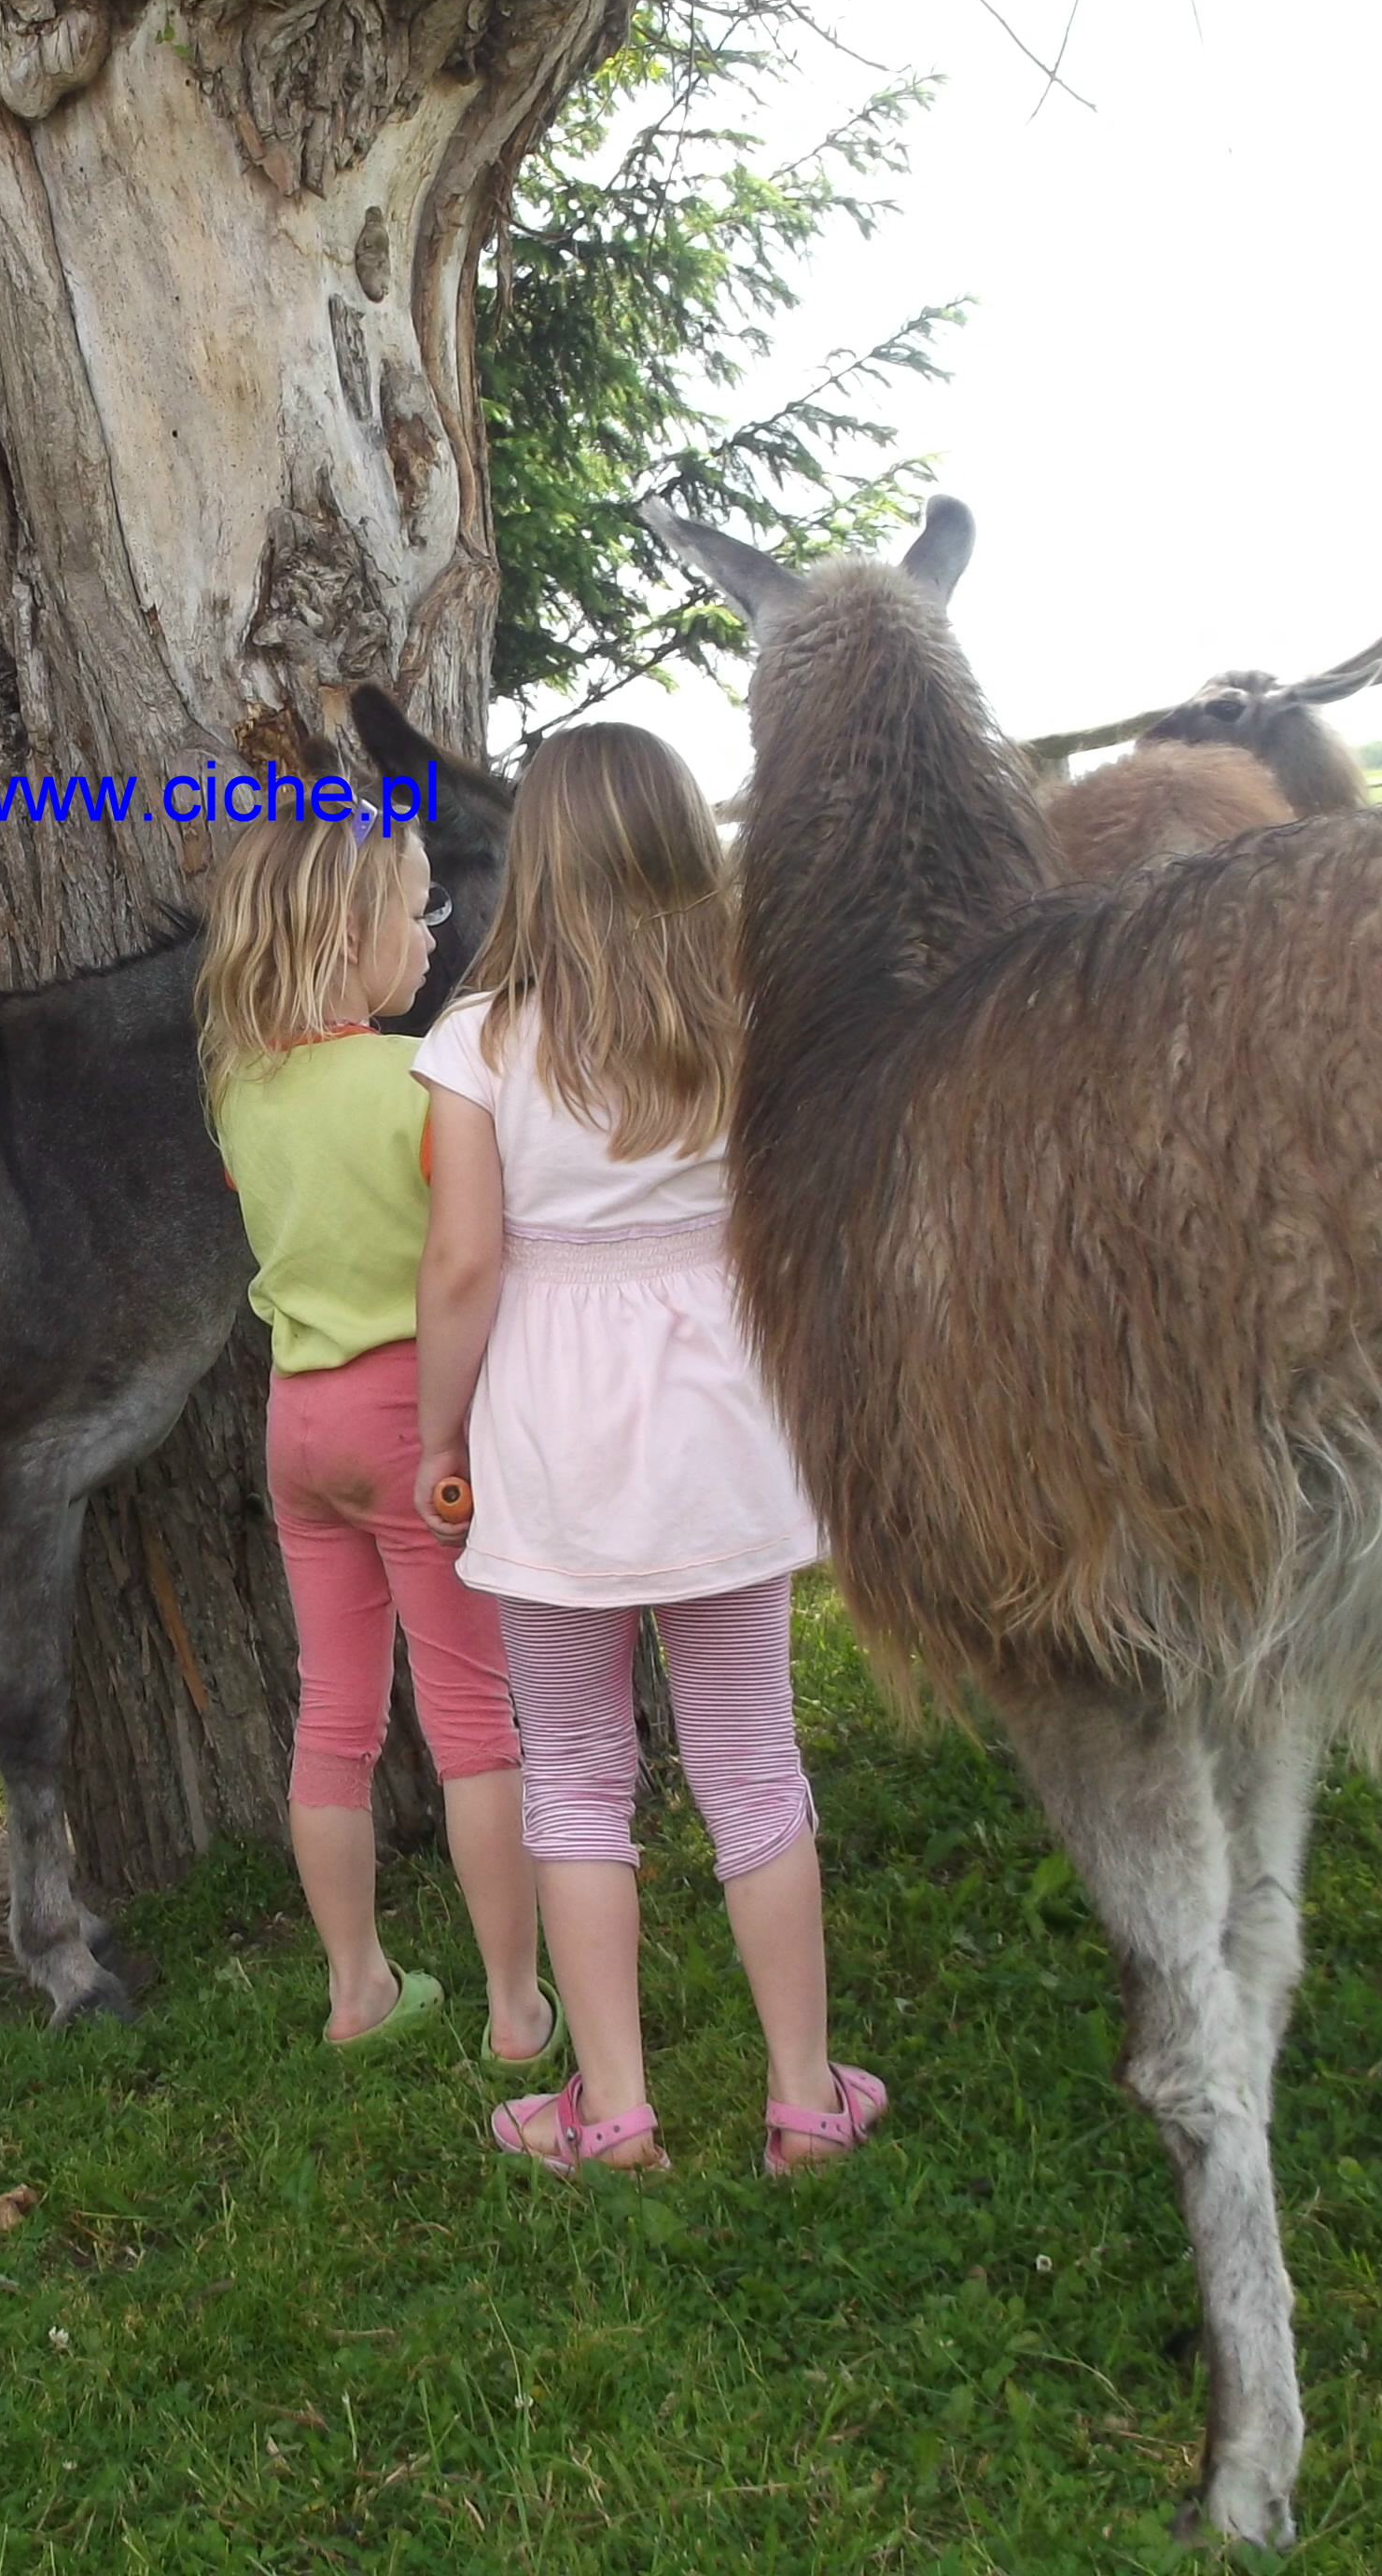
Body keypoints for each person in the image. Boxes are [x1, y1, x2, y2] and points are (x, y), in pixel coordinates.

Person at [412, 722, 879, 2174]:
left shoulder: (476, 1046)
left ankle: (610, 2109)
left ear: (538, 863)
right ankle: (804, 2094)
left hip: (554, 1434)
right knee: (751, 1757)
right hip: (722, 1427)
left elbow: (464, 1270)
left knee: (573, 1766)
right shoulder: (752, 1023)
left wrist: (440, 1436)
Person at [198, 807, 552, 2060]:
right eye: (415, 912)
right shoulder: (416, 1084)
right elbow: (475, 1245)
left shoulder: (242, 1091)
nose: (427, 935)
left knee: (334, 1717)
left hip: (299, 1427)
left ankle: (356, 1986)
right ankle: (517, 2006)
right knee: (472, 1719)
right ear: (356, 936)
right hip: (415, 1423)